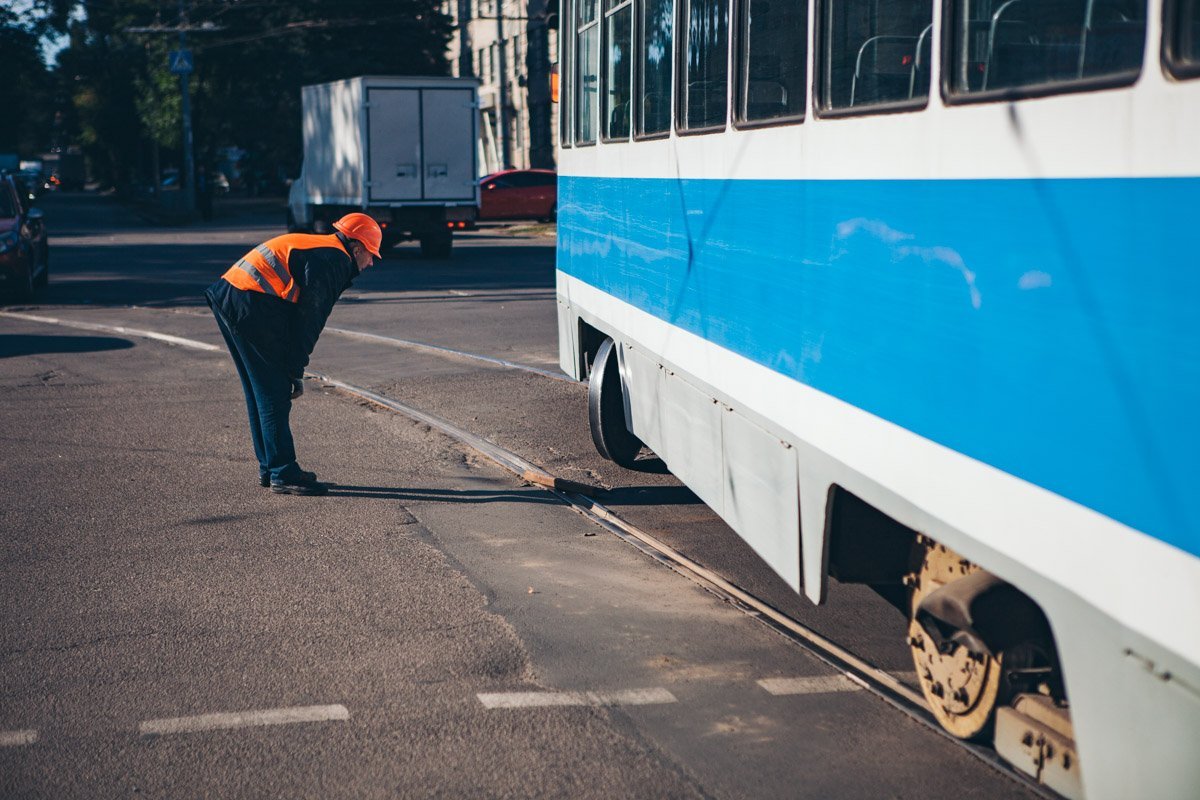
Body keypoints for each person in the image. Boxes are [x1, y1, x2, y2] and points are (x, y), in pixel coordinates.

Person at [204, 213, 382, 495]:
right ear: (357, 247)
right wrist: (294, 371)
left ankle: (270, 467)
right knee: (273, 391)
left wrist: (291, 366)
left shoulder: (324, 248)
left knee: (259, 390)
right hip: (250, 303)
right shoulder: (334, 260)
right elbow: (309, 320)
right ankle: (283, 472)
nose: (371, 262)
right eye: (371, 254)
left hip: (234, 295)